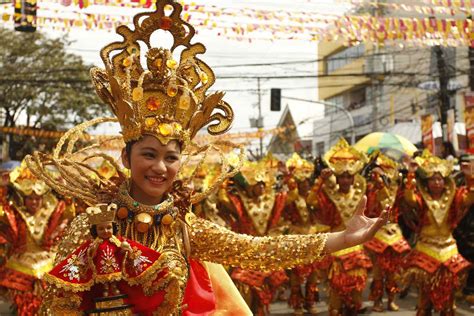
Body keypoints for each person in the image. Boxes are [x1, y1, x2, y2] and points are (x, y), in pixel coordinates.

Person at [25, 1, 387, 314]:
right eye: (149, 154)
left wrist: (343, 238)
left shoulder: (185, 228)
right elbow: (56, 300)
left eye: (170, 157)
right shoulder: (92, 222)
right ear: (125, 156)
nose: (160, 167)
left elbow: (258, 250)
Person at [45, 203, 163, 313]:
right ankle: (107, 294)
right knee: (104, 287)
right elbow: (84, 256)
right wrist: (91, 252)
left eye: (108, 228)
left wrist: (126, 249)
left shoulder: (117, 241)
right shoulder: (94, 244)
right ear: (95, 231)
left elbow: (125, 253)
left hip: (116, 270)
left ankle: (115, 293)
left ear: (113, 228)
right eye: (101, 229)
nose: (106, 231)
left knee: (116, 285)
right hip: (101, 271)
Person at [307, 138, 373, 316]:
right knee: (336, 292)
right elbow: (311, 202)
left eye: (348, 176)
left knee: (357, 288)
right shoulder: (328, 195)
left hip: (356, 249)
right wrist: (320, 182)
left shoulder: (361, 194)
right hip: (336, 246)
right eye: (341, 176)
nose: (345, 180)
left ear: (354, 177)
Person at [402, 150, 473, 316]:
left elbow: (469, 199)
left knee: (448, 297)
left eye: (439, 179)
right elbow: (409, 199)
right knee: (425, 298)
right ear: (426, 183)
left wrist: (470, 177)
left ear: (445, 181)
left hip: (448, 249)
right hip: (426, 247)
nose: (436, 183)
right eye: (432, 179)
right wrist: (411, 175)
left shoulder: (454, 197)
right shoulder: (421, 199)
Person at [217, 159, 289, 315]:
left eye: (263, 184)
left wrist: (286, 177)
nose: (262, 187)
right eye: (258, 184)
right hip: (244, 253)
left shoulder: (270, 201)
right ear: (248, 186)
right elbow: (222, 200)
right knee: (244, 295)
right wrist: (224, 181)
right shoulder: (239, 202)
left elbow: (286, 195)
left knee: (262, 300)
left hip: (264, 253)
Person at [0, 161, 72, 315]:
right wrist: (3, 188)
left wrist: (64, 188)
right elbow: (2, 211)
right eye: (30, 198)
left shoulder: (52, 211)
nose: (34, 202)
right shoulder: (15, 213)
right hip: (20, 263)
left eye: (37, 198)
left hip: (47, 263)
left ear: (43, 198)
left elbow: (68, 211)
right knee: (23, 304)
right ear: (24, 199)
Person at [283, 153, 330, 315]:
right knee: (296, 275)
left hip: (312, 235)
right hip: (296, 237)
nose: (304, 185)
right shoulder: (290, 197)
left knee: (313, 274)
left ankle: (309, 303)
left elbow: (315, 204)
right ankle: (297, 305)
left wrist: (320, 182)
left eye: (306, 182)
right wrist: (288, 177)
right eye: (300, 182)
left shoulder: (314, 196)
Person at [364, 152, 410, 312]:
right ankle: (377, 301)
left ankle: (391, 300)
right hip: (378, 232)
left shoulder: (398, 188)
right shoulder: (370, 190)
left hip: (394, 232)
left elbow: (404, 205)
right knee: (378, 272)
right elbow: (370, 209)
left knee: (393, 271)